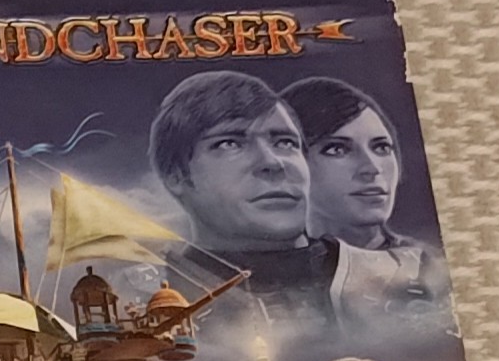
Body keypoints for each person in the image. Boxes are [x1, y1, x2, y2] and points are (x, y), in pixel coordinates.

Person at [145, 67, 335, 318]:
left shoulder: (373, 277)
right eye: (229, 143)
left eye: (285, 142)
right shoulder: (148, 296)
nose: (273, 162)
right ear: (176, 176)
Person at [284, 74, 447, 321]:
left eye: (381, 147)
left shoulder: (434, 269)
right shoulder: (259, 278)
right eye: (337, 149)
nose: (372, 168)